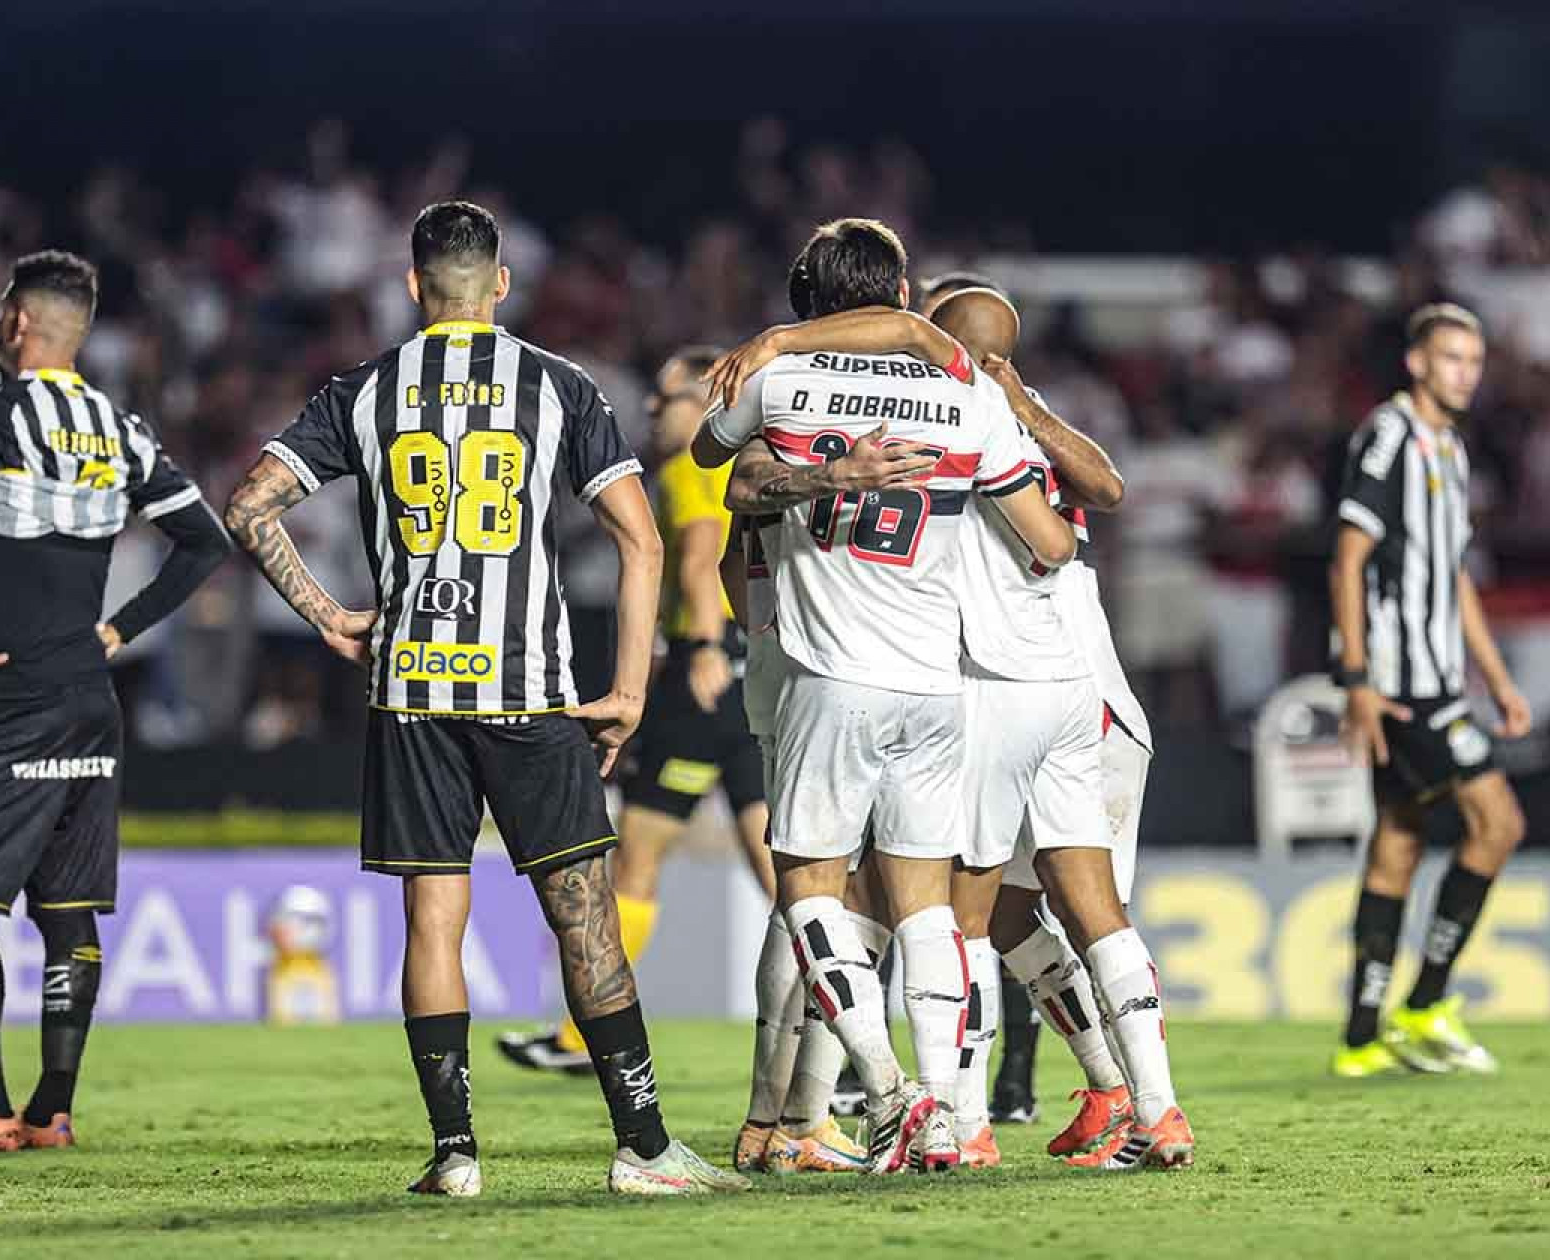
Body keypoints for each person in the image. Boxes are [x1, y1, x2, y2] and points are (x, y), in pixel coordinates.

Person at [224, 201, 744, 1198]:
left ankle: (455, 1153)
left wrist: (329, 613)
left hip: (412, 693)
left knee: (434, 921)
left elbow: (249, 506)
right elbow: (644, 542)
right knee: (583, 915)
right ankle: (642, 1148)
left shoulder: (364, 391)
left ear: (415, 287)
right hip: (528, 689)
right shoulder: (557, 386)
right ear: (500, 285)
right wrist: (630, 688)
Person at [708, 284, 1192, 1170]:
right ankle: (1142, 1103)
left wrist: (779, 342)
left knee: (911, 912)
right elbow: (1088, 507)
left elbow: (738, 518)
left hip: (979, 683)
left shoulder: (937, 409)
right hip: (1083, 689)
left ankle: (945, 1121)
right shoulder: (1010, 412)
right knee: (1065, 910)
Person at [691, 218, 1075, 1173]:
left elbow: (718, 468)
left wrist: (809, 432)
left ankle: (853, 1102)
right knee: (924, 907)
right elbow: (1050, 537)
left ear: (800, 299)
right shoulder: (965, 393)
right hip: (936, 681)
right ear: (903, 293)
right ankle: (938, 1110)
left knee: (808, 891)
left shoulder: (771, 377)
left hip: (817, 670)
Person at [0, 251, 231, 1156]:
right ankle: (51, 1111)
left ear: (14, 325)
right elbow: (205, 542)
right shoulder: (120, 427)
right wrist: (120, 633)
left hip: (4, 689)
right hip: (89, 693)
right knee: (66, 909)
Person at [499, 347, 775, 1074]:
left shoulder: (694, 468)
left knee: (638, 861)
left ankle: (580, 1036)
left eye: (668, 399)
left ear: (711, 400)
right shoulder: (753, 462)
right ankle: (834, 1039)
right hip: (751, 672)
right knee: (781, 868)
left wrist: (704, 645)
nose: (653, 413)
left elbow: (698, 557)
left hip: (704, 679)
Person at [1329, 302, 1532, 1078]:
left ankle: (1359, 1038)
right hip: (1400, 684)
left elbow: (1453, 579)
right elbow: (1348, 559)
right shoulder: (1389, 437)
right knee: (1498, 823)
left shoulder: (1451, 449)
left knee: (1400, 842)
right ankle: (1427, 1003)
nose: (1465, 374)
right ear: (1417, 362)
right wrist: (1356, 678)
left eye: (1474, 361)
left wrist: (1499, 680)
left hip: (1442, 679)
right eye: (1451, 358)